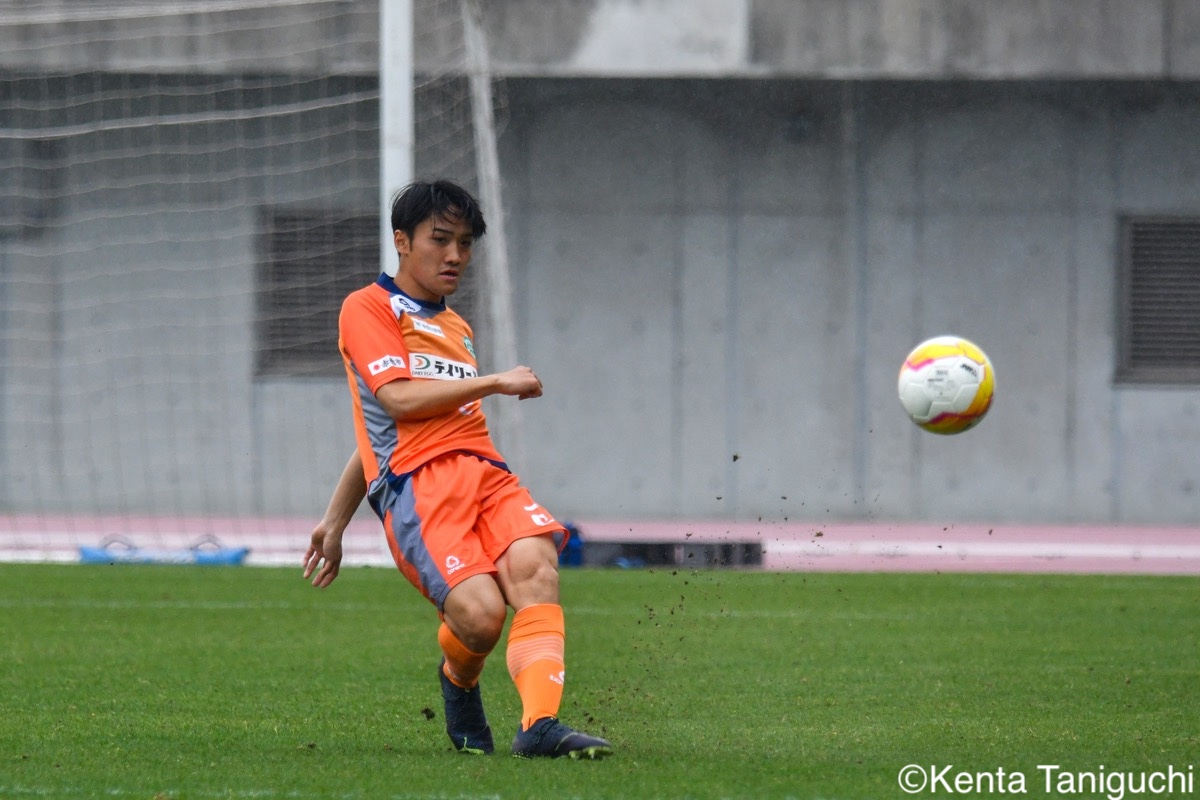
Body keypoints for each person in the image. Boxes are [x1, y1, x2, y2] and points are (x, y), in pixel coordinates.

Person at [302, 179, 612, 760]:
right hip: (419, 489)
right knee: (482, 617)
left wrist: (333, 521)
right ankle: (459, 679)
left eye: (465, 243)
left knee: (537, 570)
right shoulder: (367, 307)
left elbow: (382, 430)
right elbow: (395, 404)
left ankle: (539, 725)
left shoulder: (456, 327)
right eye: (440, 239)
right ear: (402, 240)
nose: (455, 256)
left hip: (486, 473)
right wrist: (495, 381)